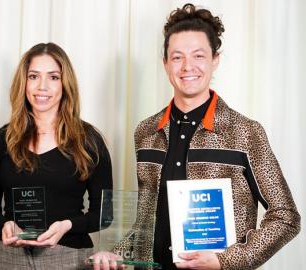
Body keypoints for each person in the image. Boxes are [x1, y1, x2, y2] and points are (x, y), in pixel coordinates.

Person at [90, 3, 300, 270]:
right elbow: (147, 224)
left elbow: (286, 217)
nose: (187, 66)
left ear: (215, 60)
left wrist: (225, 261)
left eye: (198, 56)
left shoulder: (246, 132)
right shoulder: (145, 132)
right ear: (165, 63)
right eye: (177, 57)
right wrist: (117, 253)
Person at [0, 42, 113, 270]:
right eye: (33, 76)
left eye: (53, 77)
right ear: (24, 83)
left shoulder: (88, 140)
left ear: (65, 84)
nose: (42, 86)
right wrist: (6, 225)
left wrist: (67, 226)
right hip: (11, 259)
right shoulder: (2, 139)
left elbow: (105, 214)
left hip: (70, 257)